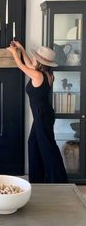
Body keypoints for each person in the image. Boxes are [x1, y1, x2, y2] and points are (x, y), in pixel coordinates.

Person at [8, 41, 68, 184]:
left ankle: (59, 180)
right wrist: (21, 49)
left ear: (40, 62)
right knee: (33, 143)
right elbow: (29, 64)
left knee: (47, 147)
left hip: (42, 115)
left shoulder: (37, 75)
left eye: (36, 57)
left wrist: (13, 53)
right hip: (44, 115)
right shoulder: (46, 74)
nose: (33, 58)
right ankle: (37, 180)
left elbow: (22, 66)